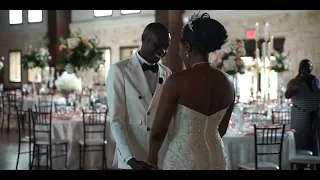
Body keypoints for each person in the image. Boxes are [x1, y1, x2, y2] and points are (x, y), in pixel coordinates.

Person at [146, 13, 233, 170]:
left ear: (187, 47)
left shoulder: (177, 81)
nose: (177, 48)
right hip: (217, 155)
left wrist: (151, 160)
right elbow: (222, 128)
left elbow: (158, 131)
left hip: (184, 158)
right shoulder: (228, 82)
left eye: (180, 42)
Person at [106, 22, 172, 170]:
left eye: (166, 47)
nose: (163, 50)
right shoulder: (119, 71)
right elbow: (116, 121)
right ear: (144, 38)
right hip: (133, 156)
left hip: (161, 156)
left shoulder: (167, 73)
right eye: (158, 44)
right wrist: (130, 159)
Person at [285, 59, 320, 155]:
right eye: (304, 67)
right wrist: (294, 85)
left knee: (314, 143)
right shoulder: (294, 82)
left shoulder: (315, 80)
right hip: (300, 115)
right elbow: (287, 95)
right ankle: (300, 164)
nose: (306, 70)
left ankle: (314, 162)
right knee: (300, 141)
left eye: (309, 68)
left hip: (314, 116)